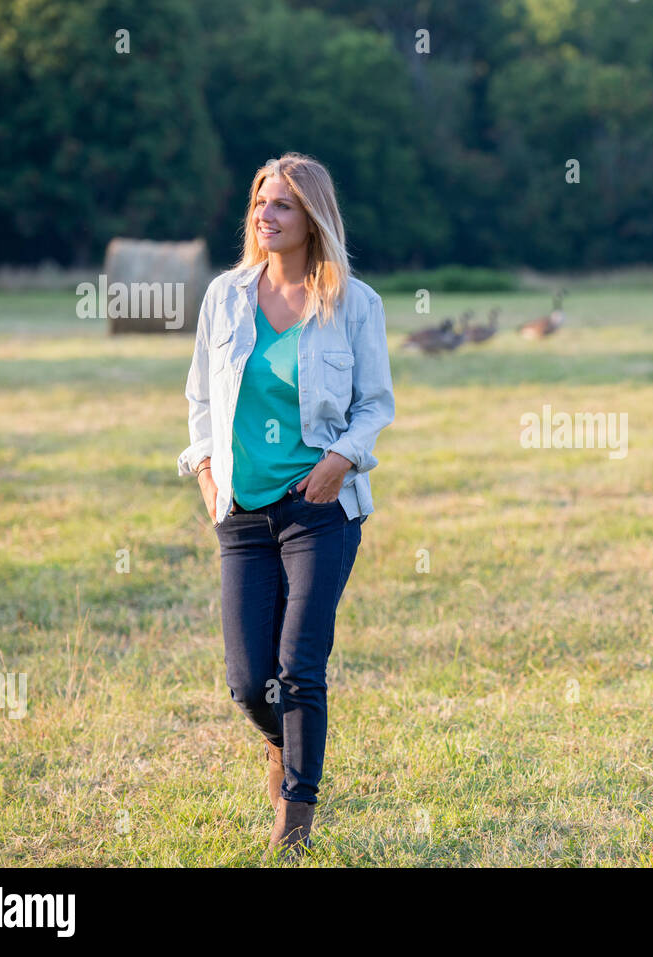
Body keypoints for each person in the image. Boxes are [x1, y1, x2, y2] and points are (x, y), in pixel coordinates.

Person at [177, 152, 394, 858]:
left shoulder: (355, 304)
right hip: (241, 510)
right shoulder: (226, 297)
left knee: (300, 664)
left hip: (320, 508)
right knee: (247, 679)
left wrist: (340, 460)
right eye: (259, 203)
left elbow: (374, 405)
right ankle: (281, 740)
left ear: (313, 218)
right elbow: (201, 399)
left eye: (282, 205)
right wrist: (208, 472)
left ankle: (294, 820)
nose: (265, 216)